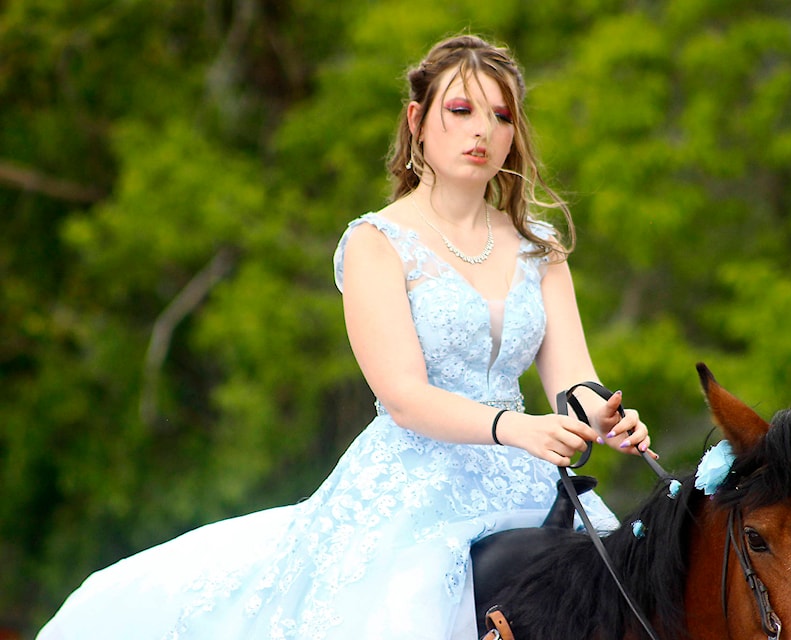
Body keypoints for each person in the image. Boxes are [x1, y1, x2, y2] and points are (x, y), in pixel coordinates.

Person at [37, 34, 651, 639]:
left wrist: (605, 418)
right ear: (417, 120)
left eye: (500, 116)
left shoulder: (539, 248)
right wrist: (517, 428)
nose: (482, 131)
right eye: (461, 111)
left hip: (526, 477)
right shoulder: (377, 243)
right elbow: (404, 396)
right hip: (416, 481)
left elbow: (573, 377)